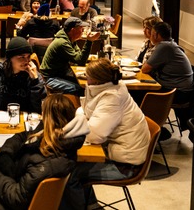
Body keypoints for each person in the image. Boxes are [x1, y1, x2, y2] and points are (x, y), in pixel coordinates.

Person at [62, 59, 151, 209]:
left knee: (68, 172)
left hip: (126, 164)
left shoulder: (112, 97)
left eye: (87, 76)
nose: (85, 77)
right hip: (118, 151)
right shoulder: (106, 88)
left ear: (96, 80)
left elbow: (95, 135)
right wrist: (81, 118)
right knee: (69, 163)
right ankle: (90, 205)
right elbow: (87, 113)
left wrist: (78, 123)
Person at [40, 17, 100, 95]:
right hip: (50, 78)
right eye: (81, 29)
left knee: (88, 84)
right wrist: (89, 41)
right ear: (72, 30)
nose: (83, 31)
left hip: (60, 74)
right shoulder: (62, 42)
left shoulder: (69, 39)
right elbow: (80, 60)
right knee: (81, 89)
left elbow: (79, 57)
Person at [140, 22, 194, 104]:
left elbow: (145, 69)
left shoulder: (164, 47)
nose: (150, 36)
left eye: (151, 34)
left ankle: (147, 116)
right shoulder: (170, 45)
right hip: (178, 88)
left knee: (136, 94)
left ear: (156, 35)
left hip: (177, 92)